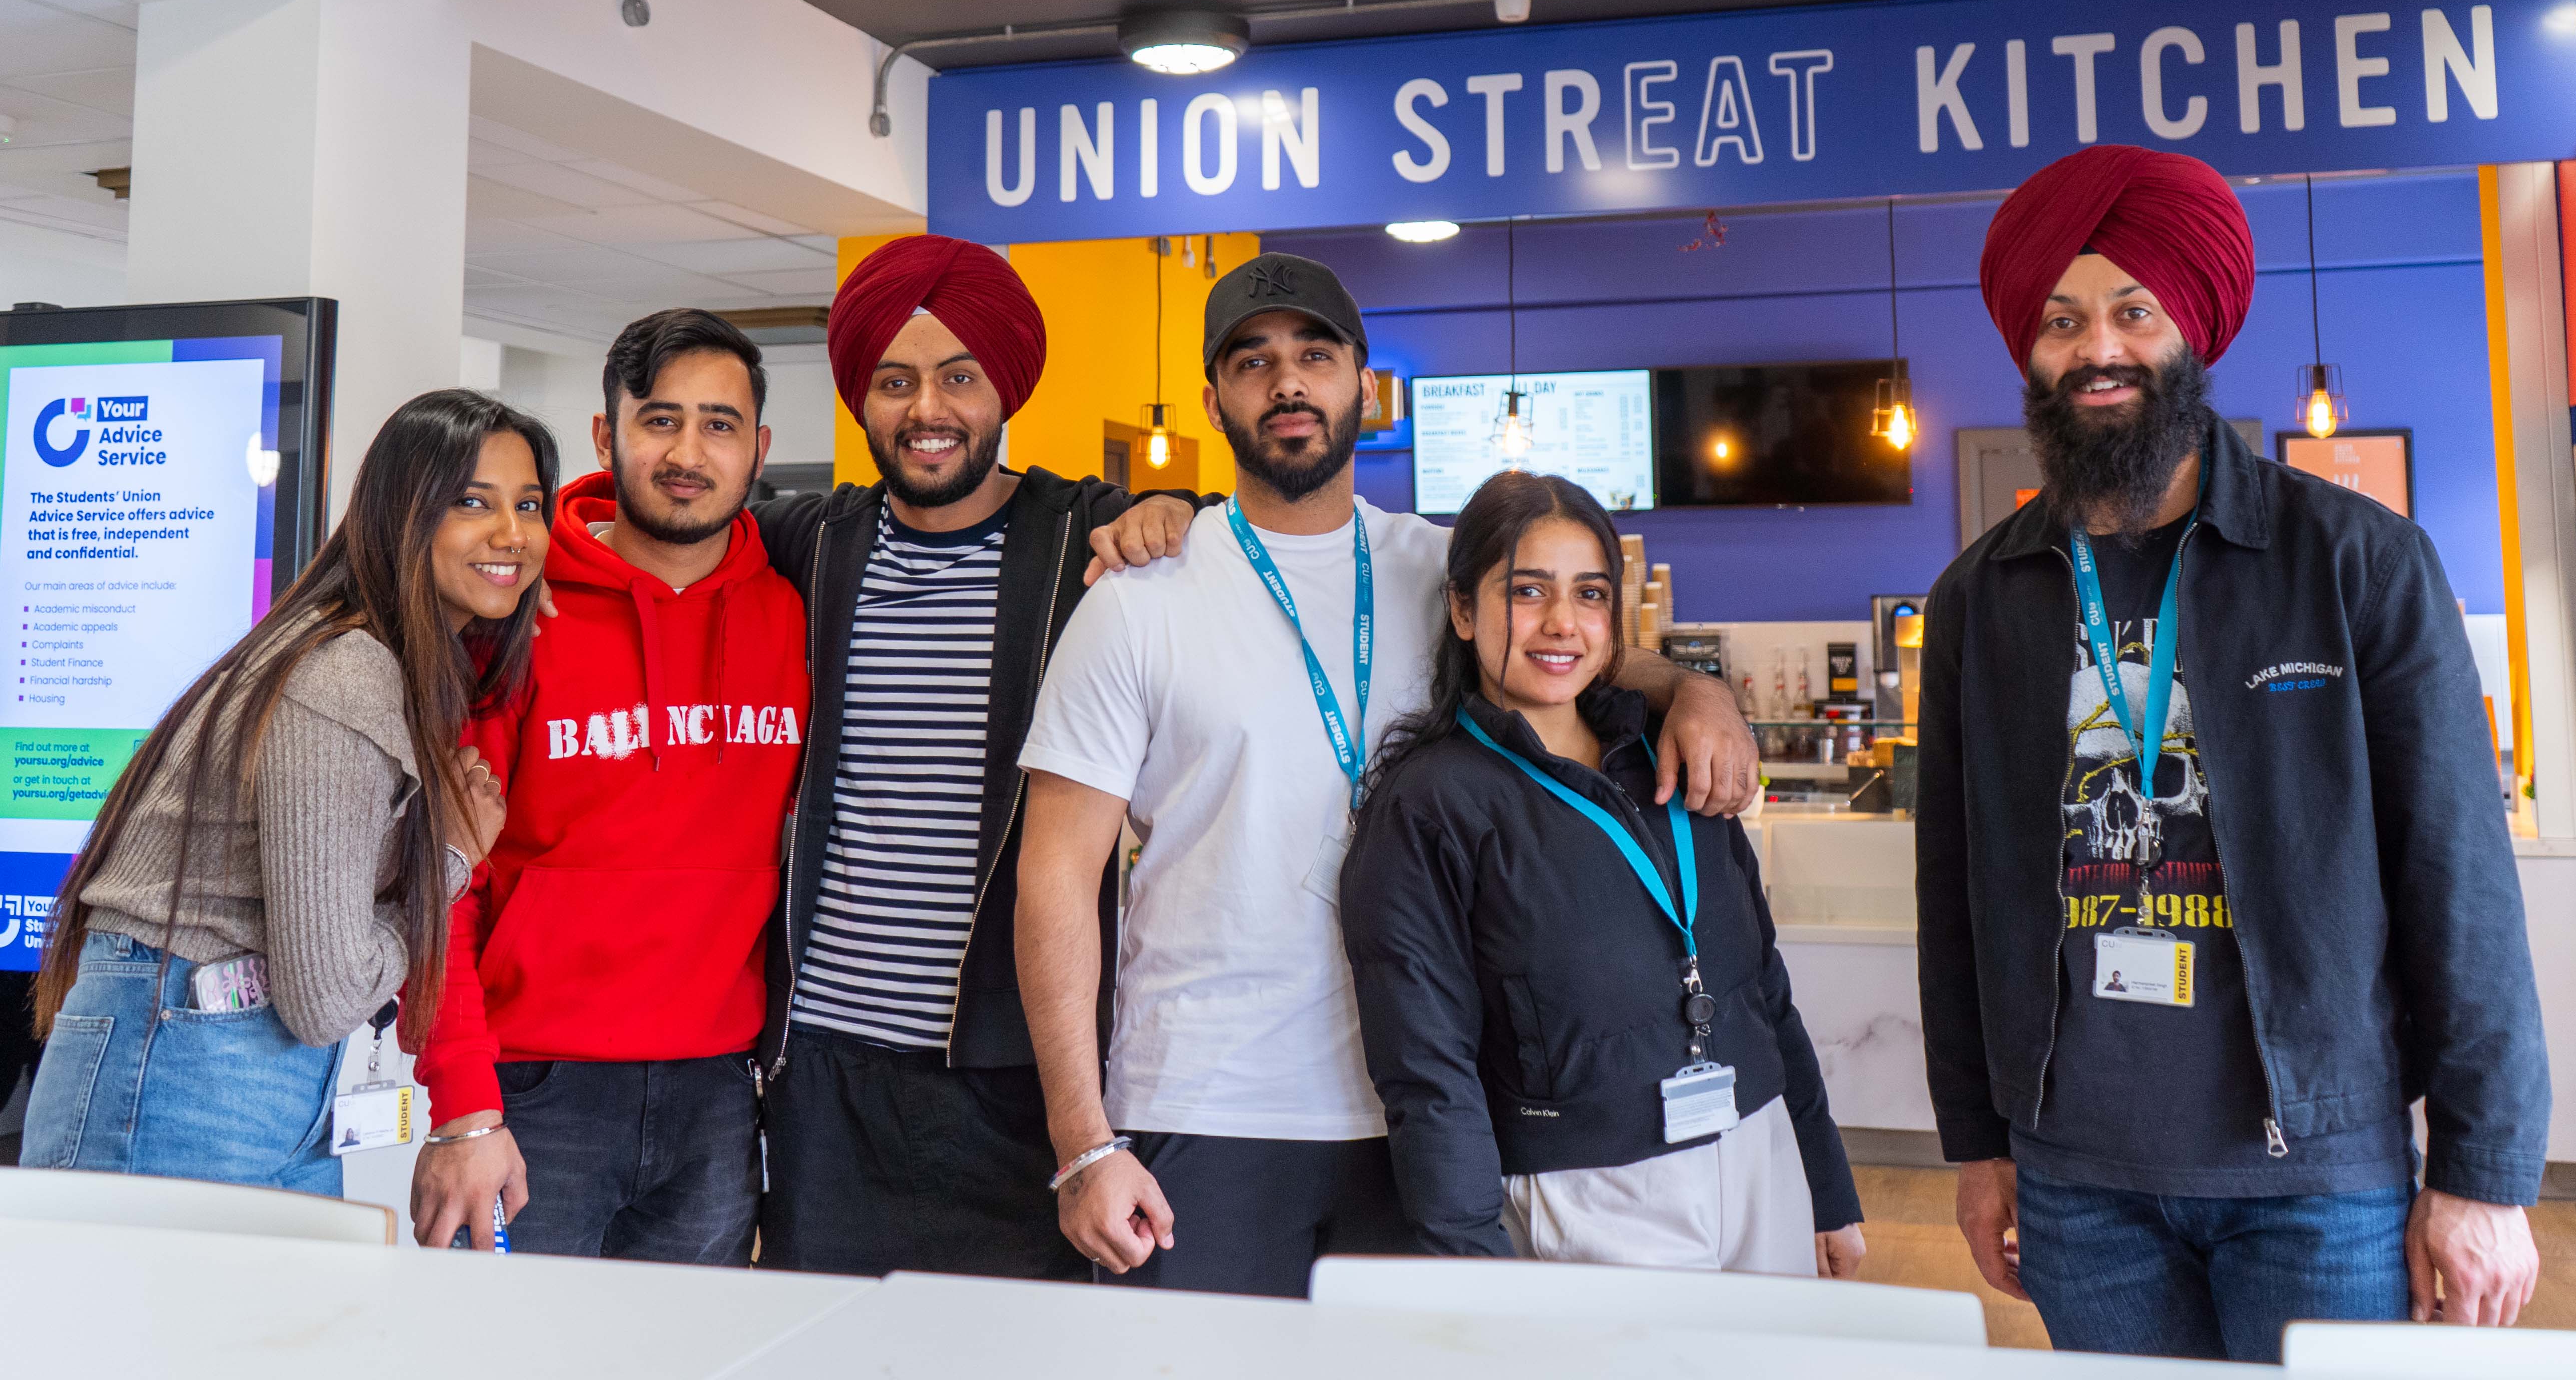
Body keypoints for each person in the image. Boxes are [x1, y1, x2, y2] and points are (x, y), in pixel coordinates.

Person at [1016, 251, 1759, 1298]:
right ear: (1214, 397)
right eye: (1253, 361)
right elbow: (1055, 875)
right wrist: (1084, 1141)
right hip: (1206, 1109)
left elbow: (1574, 646)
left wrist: (1692, 690)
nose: (1287, 383)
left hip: (1437, 1105)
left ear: (1363, 386)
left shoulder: (1439, 568)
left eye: (1315, 355)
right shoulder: (1140, 599)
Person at [1916, 145, 2548, 1362]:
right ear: (2028, 347)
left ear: (2189, 331)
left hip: (2318, 1179)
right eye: (2061, 318)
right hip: (2074, 1181)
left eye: (2133, 309)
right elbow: (1956, 896)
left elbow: (2461, 881)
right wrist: (1977, 1140)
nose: (2097, 346)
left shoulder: (2356, 561)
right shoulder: (1979, 600)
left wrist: (2485, 1170)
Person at [744, 235, 1199, 1278]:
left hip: (1015, 1071)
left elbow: (1286, 552)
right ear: (862, 394)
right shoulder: (812, 542)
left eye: (959, 376)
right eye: (895, 381)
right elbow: (643, 523)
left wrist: (1657, 677)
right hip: (821, 1068)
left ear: (1006, 388)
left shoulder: (1087, 537)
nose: (926, 409)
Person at [1343, 469, 1866, 1274]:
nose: (1562, 623)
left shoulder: (1676, 752)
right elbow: (1427, 1073)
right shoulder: (1431, 805)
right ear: (1461, 609)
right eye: (1527, 591)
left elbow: (1762, 984)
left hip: (1760, 1151)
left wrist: (1825, 1184)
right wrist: (1474, 1264)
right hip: (1588, 1192)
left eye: (1590, 595)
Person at [21, 390, 542, 1191]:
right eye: (473, 502)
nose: (513, 533)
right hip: (188, 1057)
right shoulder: (345, 671)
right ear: (406, 517)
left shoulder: (382, 663)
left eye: (529, 505)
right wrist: (452, 859)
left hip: (238, 1050)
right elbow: (326, 995)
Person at [409, 310, 809, 1260]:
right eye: (659, 419)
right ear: (605, 436)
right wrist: (464, 1103)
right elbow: (438, 879)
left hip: (719, 1092)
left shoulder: (790, 613)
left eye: (719, 425)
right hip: (537, 1091)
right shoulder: (515, 617)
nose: (687, 451)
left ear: (759, 449)